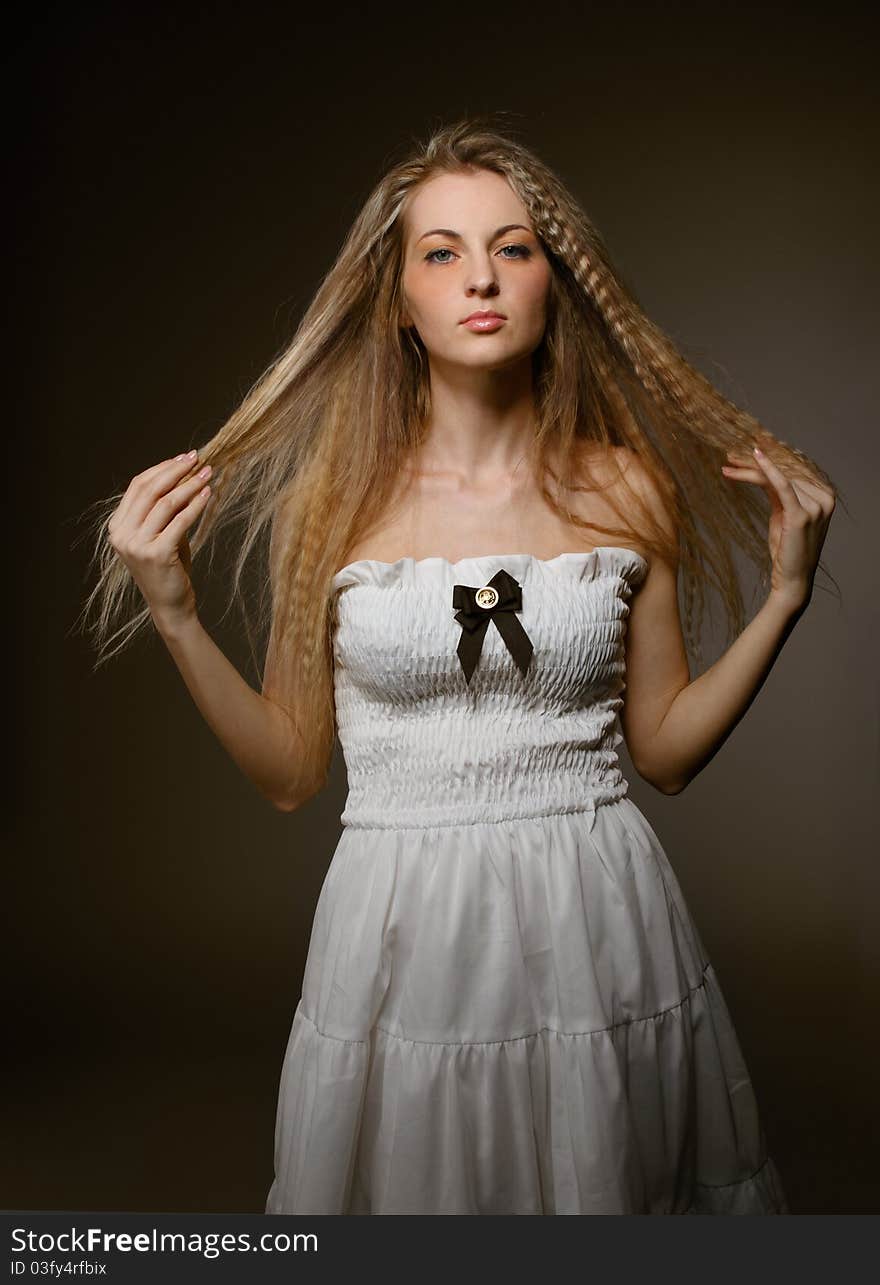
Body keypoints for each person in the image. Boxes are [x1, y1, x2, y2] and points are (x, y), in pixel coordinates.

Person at [79, 115, 838, 1214]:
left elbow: (665, 752)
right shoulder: (331, 508)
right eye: (440, 252)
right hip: (402, 930)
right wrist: (175, 609)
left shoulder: (625, 488)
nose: (480, 276)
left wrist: (785, 598)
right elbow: (292, 771)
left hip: (598, 917)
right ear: (396, 299)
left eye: (513, 247)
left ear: (551, 282)